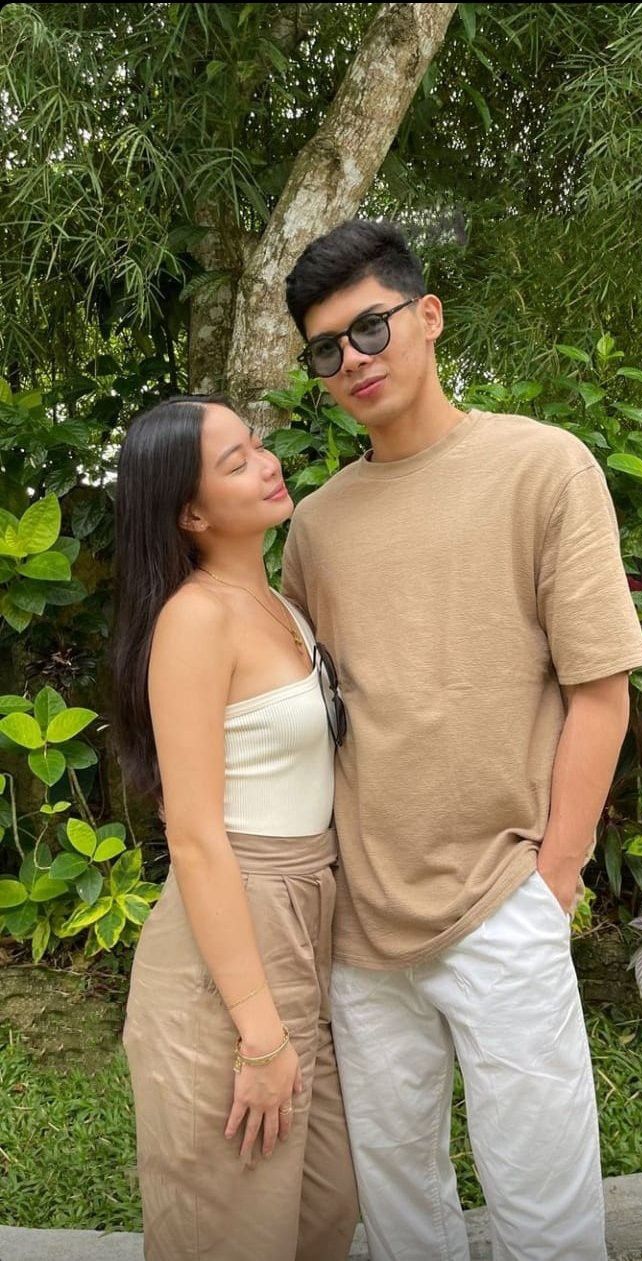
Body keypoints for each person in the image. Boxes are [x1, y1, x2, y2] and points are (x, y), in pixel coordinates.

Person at [281, 219, 642, 1261]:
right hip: (363, 927)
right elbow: (317, 717)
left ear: (428, 317)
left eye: (370, 328)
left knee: (547, 1217)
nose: (352, 359)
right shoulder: (314, 525)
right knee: (404, 1221)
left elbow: (601, 690)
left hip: (504, 903)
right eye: (326, 348)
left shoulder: (543, 467)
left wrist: (555, 881)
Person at [111, 395, 358, 1261]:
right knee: (232, 1219)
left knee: (324, 1204)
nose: (266, 461)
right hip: (234, 924)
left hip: (311, 908)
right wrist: (259, 1030)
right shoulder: (194, 618)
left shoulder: (280, 605)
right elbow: (195, 837)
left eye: (257, 444)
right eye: (235, 460)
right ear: (189, 511)